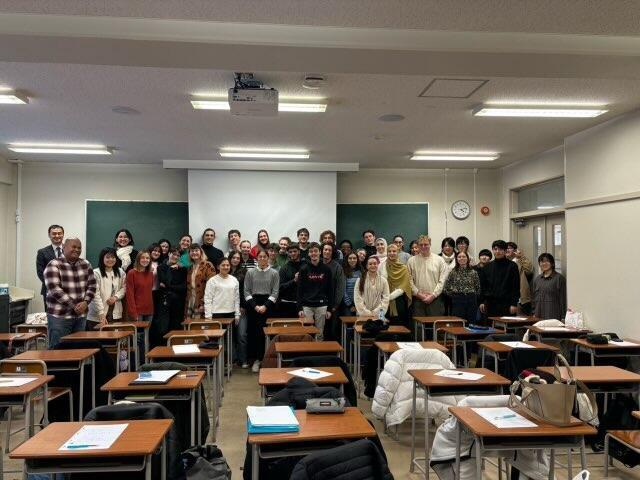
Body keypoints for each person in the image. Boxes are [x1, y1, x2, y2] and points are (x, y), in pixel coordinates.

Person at [44, 238, 97, 348]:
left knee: (78, 351)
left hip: (80, 317)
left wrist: (86, 302)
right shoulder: (53, 265)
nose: (77, 250)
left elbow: (92, 286)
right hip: (60, 317)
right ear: (64, 247)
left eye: (79, 248)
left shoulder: (86, 264)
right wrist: (75, 306)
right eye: (74, 247)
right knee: (57, 351)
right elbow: (55, 290)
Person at [244, 249, 279, 372]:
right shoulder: (250, 272)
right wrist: (255, 306)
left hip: (268, 306)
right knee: (255, 334)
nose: (263, 259)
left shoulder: (274, 273)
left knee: (266, 334)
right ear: (257, 258)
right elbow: (247, 291)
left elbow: (275, 292)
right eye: (260, 257)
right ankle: (257, 360)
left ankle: (267, 360)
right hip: (253, 305)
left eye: (265, 257)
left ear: (268, 258)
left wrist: (265, 306)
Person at [297, 243, 333, 340]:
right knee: (307, 332)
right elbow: (300, 290)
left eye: (315, 251)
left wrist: (329, 309)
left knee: (319, 333)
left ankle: (318, 353)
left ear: (320, 252)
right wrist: (300, 308)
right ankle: (308, 353)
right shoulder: (303, 269)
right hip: (307, 305)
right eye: (311, 251)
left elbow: (330, 289)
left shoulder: (326, 269)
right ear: (308, 254)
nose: (313, 253)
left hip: (322, 305)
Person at [406, 235, 448, 316]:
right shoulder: (411, 261)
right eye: (421, 245)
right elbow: (409, 281)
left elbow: (442, 281)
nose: (423, 246)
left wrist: (433, 295)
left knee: (435, 325)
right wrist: (419, 294)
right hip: (418, 300)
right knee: (418, 326)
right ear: (418, 246)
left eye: (426, 244)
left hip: (435, 299)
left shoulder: (439, 260)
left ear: (430, 244)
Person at [478, 240, 520, 320]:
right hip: (490, 304)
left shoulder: (512, 266)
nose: (498, 251)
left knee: (507, 329)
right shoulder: (487, 267)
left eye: (501, 249)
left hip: (507, 304)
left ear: (505, 251)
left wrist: (514, 303)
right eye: (495, 249)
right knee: (491, 328)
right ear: (493, 250)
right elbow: (483, 286)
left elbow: (516, 286)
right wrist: (482, 301)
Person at [87, 247, 126, 328]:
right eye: (107, 257)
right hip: (98, 315)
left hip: (115, 314)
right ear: (102, 258)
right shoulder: (95, 273)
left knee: (113, 339)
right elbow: (95, 295)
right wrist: (101, 314)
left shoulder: (121, 272)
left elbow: (124, 288)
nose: (110, 259)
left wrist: (116, 297)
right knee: (97, 339)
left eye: (113, 257)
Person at [443, 250, 481, 323]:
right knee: (458, 322)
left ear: (467, 259)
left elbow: (478, 288)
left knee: (471, 322)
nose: (461, 258)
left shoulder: (473, 272)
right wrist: (455, 296)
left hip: (471, 299)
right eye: (459, 257)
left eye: (464, 256)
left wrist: (472, 296)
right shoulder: (453, 272)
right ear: (456, 259)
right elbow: (446, 288)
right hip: (458, 299)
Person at [157, 248, 187, 336]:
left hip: (178, 301)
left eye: (178, 255)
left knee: (176, 326)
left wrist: (169, 286)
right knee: (163, 327)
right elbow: (166, 281)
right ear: (169, 254)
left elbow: (183, 287)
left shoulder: (183, 269)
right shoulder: (161, 267)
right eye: (174, 254)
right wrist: (170, 269)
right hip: (165, 301)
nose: (176, 257)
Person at [380, 244, 412, 329]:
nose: (391, 253)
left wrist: (389, 297)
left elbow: (403, 287)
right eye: (389, 251)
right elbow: (379, 282)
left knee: (398, 326)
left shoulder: (404, 268)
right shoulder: (382, 266)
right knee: (383, 326)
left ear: (398, 252)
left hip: (398, 301)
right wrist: (385, 297)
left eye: (394, 251)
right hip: (383, 301)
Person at [204, 257, 240, 324]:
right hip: (216, 313)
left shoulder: (234, 280)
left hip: (231, 312)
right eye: (223, 265)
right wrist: (208, 316)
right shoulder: (212, 281)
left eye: (227, 265)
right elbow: (208, 299)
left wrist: (237, 314)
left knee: (231, 334)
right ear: (218, 267)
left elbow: (237, 299)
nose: (226, 267)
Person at [36, 224, 65, 307]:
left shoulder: (69, 250)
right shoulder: (42, 252)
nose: (57, 235)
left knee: (66, 317)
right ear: (49, 235)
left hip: (68, 290)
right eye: (54, 233)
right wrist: (53, 286)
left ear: (63, 234)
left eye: (59, 233)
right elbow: (40, 272)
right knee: (50, 316)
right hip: (49, 290)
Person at [532, 253, 567, 320]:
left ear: (552, 263)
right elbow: (534, 298)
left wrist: (563, 317)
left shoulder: (559, 278)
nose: (544, 263)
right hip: (538, 316)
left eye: (547, 261)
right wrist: (533, 312)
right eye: (542, 262)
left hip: (554, 316)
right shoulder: (537, 279)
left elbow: (563, 299)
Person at [184, 244, 216, 318]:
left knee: (199, 326)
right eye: (192, 251)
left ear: (201, 252)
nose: (194, 252)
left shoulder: (208, 265)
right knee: (188, 326)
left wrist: (204, 303)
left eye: (196, 250)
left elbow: (212, 286)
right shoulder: (190, 268)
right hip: (190, 301)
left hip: (202, 302)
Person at [321, 243, 345, 339]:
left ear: (332, 252)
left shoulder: (337, 267)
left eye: (329, 250)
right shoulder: (316, 264)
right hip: (318, 304)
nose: (327, 252)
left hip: (332, 305)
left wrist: (335, 305)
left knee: (331, 331)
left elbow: (340, 287)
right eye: (325, 249)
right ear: (321, 251)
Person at [229, 251, 248, 368]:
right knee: (230, 336)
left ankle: (243, 360)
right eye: (233, 257)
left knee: (241, 335)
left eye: (238, 258)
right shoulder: (224, 270)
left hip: (241, 308)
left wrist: (243, 306)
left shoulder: (244, 272)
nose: (235, 260)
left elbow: (246, 291)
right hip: (227, 308)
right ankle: (233, 359)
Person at [126, 250, 154, 322]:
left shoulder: (150, 273)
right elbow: (129, 294)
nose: (145, 260)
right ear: (138, 259)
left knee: (147, 333)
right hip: (137, 311)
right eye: (143, 258)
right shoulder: (131, 273)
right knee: (137, 333)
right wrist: (133, 312)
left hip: (149, 310)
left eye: (147, 258)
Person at [506, 242, 534, 315]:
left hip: (520, 299)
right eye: (506, 248)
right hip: (506, 298)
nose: (507, 250)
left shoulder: (519, 261)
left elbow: (529, 271)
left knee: (521, 321)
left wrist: (521, 257)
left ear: (515, 250)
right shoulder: (503, 263)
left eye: (509, 248)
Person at [278, 243, 303, 318]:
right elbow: (280, 287)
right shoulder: (284, 268)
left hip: (303, 305)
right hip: (287, 304)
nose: (293, 253)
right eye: (290, 252)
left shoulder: (306, 266)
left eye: (295, 251)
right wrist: (294, 280)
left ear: (299, 251)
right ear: (288, 253)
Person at [341, 252, 362, 318]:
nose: (352, 260)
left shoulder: (361, 270)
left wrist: (359, 303)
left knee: (359, 324)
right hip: (347, 304)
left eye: (354, 258)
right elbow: (343, 290)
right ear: (347, 260)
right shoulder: (343, 271)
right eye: (350, 258)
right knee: (349, 324)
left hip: (359, 303)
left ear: (357, 259)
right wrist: (350, 305)